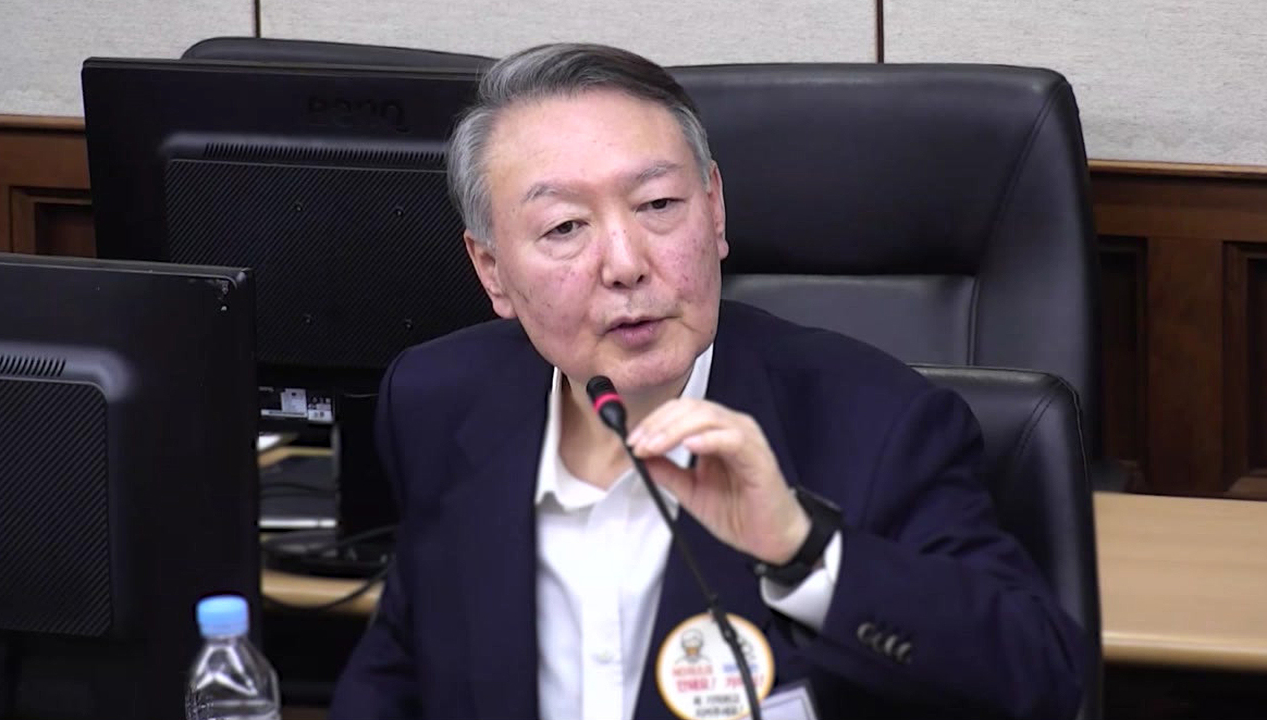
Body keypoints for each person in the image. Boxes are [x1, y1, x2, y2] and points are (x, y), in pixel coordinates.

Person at [331, 43, 1087, 720]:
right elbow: (400, 673)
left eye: (658, 205)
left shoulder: (878, 422)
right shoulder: (439, 402)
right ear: (492, 270)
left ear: (715, 211)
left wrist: (802, 550)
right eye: (564, 228)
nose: (625, 264)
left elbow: (1040, 677)